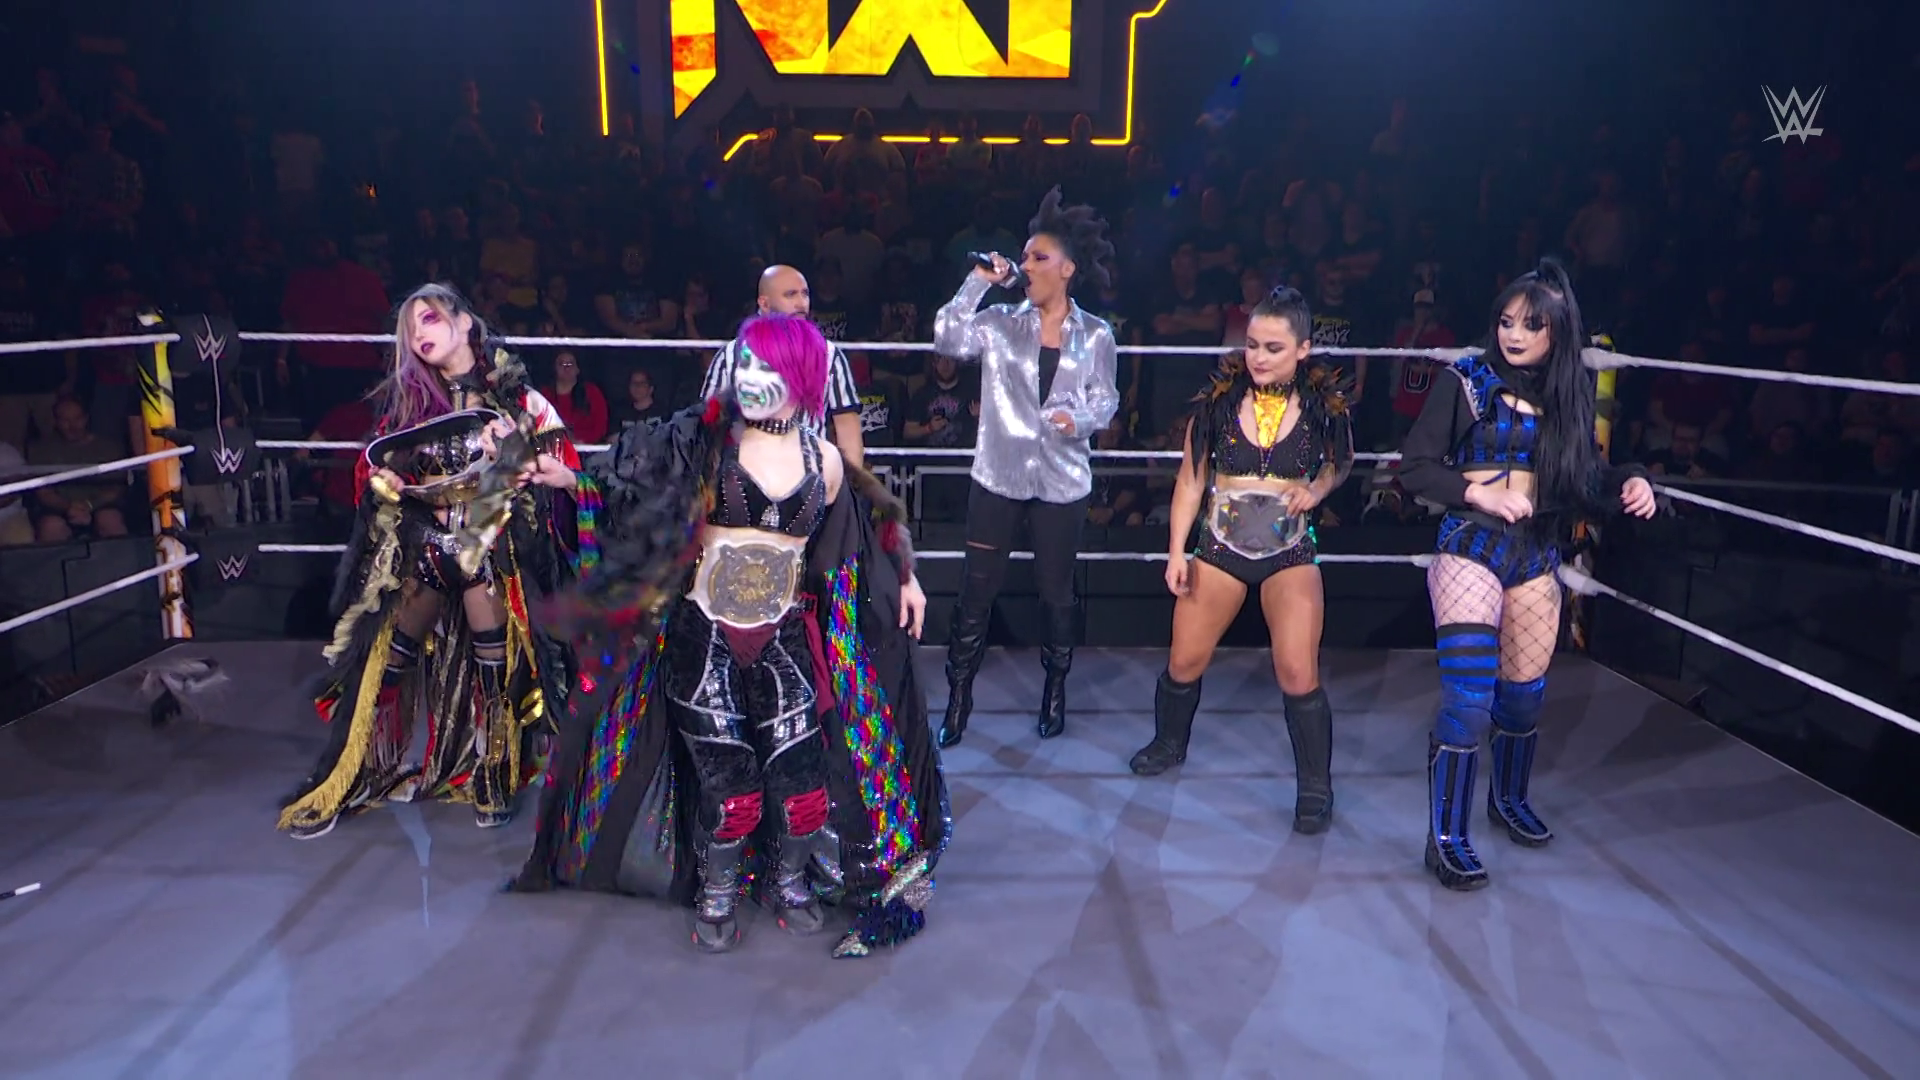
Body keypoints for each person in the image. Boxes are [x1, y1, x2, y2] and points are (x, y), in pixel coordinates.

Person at [510, 314, 948, 960]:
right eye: (745, 363)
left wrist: (905, 575)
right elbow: (633, 491)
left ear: (800, 376)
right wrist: (572, 480)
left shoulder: (825, 461)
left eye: (766, 366)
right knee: (731, 787)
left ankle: (787, 881)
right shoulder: (702, 443)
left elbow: (858, 541)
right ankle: (718, 891)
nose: (750, 377)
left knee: (803, 787)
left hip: (783, 640)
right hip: (704, 636)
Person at [278, 283, 586, 840]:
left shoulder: (520, 400)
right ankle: (349, 774)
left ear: (465, 323)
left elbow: (562, 476)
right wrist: (387, 483)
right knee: (382, 661)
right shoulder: (409, 403)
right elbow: (373, 473)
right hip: (425, 547)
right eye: (411, 327)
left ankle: (495, 771)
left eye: (431, 318)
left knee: (493, 649)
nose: (420, 333)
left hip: (491, 549)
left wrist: (513, 453)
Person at [1396, 259, 1657, 890]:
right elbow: (1414, 467)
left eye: (1531, 325)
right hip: (1470, 544)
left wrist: (1634, 481)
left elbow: (1589, 480)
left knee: (1522, 698)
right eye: (1506, 321)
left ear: (1556, 333)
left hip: (1535, 552)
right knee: (1468, 700)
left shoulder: (1567, 399)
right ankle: (1445, 838)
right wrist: (1477, 493)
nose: (1514, 334)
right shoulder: (1465, 381)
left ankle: (1508, 800)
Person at [1131, 287, 1353, 834]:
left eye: (1273, 348)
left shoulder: (1324, 410)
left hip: (1289, 550)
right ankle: (1169, 742)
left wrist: (1317, 490)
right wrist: (1176, 551)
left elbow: (1340, 463)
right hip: (1220, 546)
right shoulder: (1217, 404)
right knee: (1184, 661)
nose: (1258, 357)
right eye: (1252, 344)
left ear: (1303, 349)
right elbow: (1190, 481)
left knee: (1298, 671)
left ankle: (1316, 787)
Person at [932, 185, 1119, 748]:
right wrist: (978, 282)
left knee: (1056, 593)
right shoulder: (1000, 323)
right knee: (975, 591)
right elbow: (948, 339)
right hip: (999, 475)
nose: (1028, 266)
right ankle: (958, 698)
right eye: (1026, 257)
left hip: (1062, 481)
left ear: (1067, 268)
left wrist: (1077, 420)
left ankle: (1054, 689)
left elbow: (1106, 399)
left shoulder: (1096, 334)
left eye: (1040, 257)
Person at [698, 264, 865, 465]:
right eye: (790, 295)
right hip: (745, 472)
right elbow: (710, 423)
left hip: (810, 471)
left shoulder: (828, 354)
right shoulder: (731, 356)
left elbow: (847, 427)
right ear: (764, 304)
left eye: (805, 294)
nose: (801, 303)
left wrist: (851, 481)